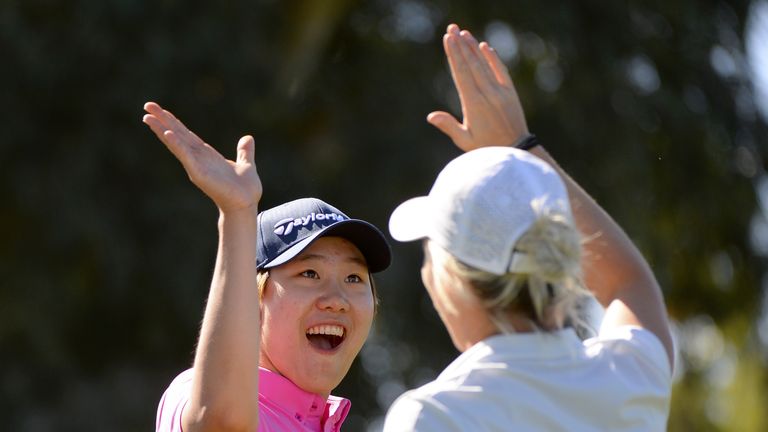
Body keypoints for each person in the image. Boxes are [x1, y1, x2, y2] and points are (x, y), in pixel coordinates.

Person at [382, 24, 674, 431]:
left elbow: (628, 283)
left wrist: (518, 146)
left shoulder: (434, 415)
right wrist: (520, 143)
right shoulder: (629, 377)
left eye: (430, 256)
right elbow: (629, 282)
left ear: (454, 281)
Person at [142, 102, 391, 432]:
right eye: (309, 273)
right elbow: (220, 421)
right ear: (253, 298)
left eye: (354, 278)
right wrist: (237, 215)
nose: (337, 299)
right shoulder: (196, 392)